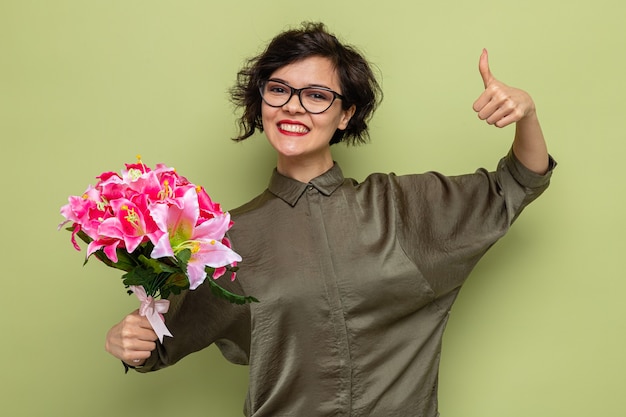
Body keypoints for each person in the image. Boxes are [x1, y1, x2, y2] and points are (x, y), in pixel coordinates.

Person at [105, 22, 555, 416]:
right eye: (279, 89)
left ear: (346, 114)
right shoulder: (224, 239)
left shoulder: (401, 206)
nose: (294, 106)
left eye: (317, 95)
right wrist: (130, 340)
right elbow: (159, 342)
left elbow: (515, 183)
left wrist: (526, 114)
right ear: (260, 102)